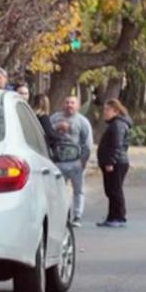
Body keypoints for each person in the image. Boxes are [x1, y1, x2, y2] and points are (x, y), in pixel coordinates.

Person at [50, 96, 93, 227]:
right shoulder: (55, 118)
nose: (69, 105)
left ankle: (77, 216)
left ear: (78, 105)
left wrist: (83, 161)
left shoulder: (83, 121)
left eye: (72, 103)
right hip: (58, 161)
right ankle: (61, 215)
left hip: (75, 162)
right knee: (57, 191)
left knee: (78, 190)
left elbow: (88, 143)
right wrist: (57, 126)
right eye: (67, 102)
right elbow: (45, 132)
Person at [96, 99, 132, 228]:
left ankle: (119, 216)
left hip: (116, 162)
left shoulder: (118, 125)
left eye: (107, 110)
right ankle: (112, 216)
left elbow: (117, 144)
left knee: (115, 190)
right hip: (115, 161)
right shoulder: (115, 124)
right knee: (111, 190)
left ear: (115, 111)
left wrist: (111, 161)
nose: (104, 112)